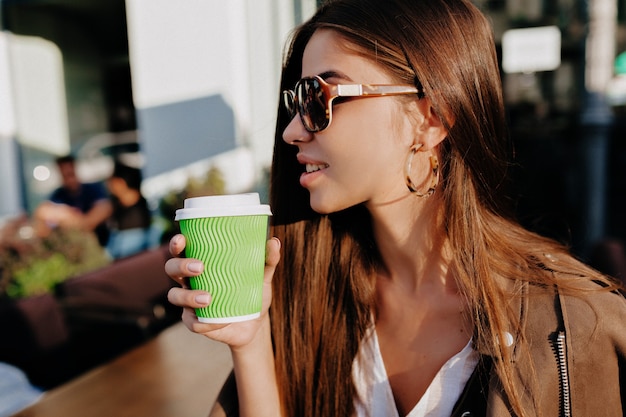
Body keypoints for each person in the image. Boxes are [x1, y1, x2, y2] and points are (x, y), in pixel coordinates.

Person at [165, 0, 626, 416]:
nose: (291, 131)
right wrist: (250, 342)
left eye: (319, 98)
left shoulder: (571, 329)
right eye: (295, 102)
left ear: (432, 118)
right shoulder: (309, 288)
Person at [34, 154, 112, 246]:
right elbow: (42, 215)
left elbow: (103, 210)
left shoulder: (93, 189)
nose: (69, 179)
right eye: (64, 175)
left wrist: (68, 217)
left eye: (70, 174)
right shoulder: (57, 196)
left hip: (102, 243)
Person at [105, 160, 155, 259]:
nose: (109, 183)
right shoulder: (115, 204)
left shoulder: (136, 209)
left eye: (112, 179)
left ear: (121, 183)